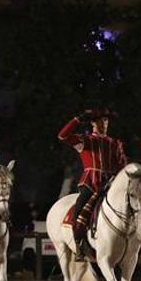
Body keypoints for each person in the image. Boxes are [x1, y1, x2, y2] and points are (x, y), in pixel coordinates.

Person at [58, 107, 128, 261]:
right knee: (79, 209)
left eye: (105, 120)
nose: (104, 123)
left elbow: (122, 165)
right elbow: (62, 136)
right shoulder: (84, 140)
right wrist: (77, 119)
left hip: (110, 183)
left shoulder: (115, 143)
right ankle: (79, 245)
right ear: (92, 124)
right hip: (91, 182)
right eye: (100, 120)